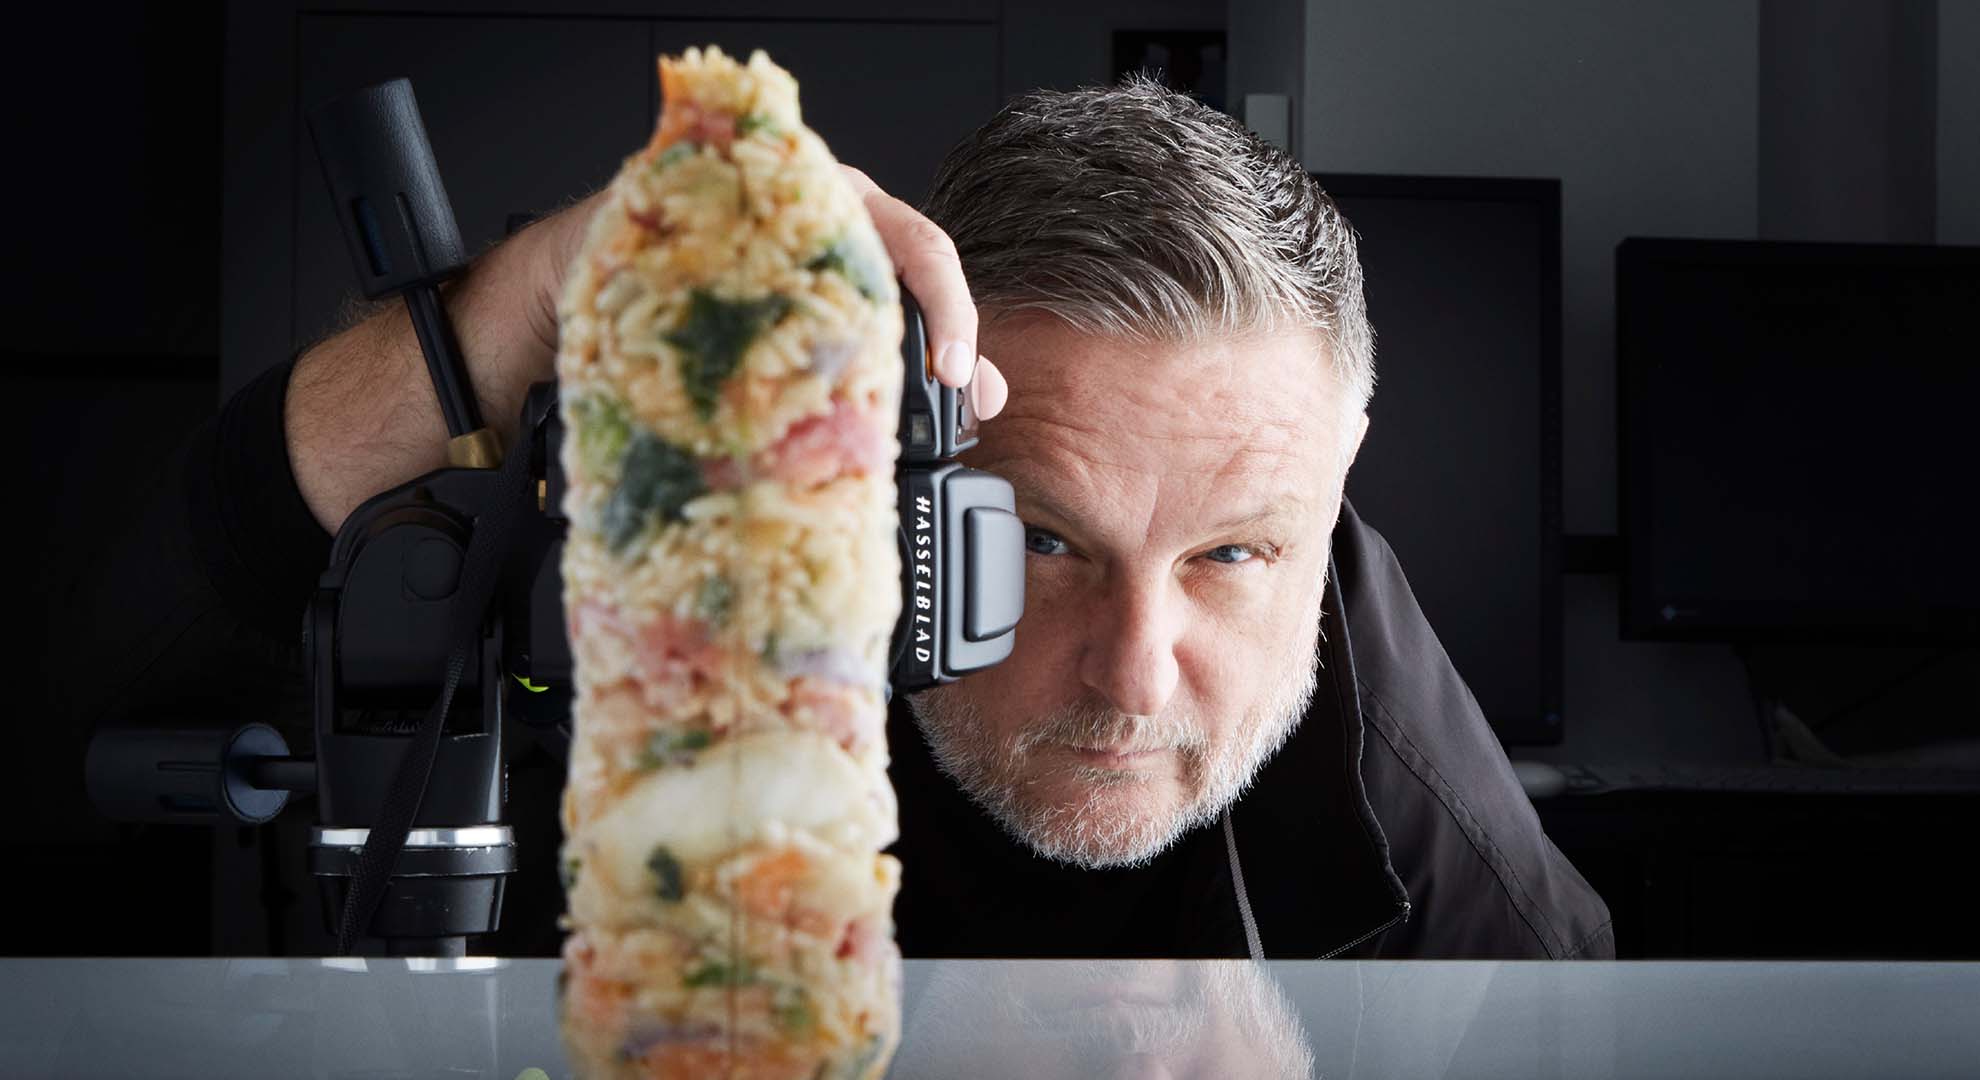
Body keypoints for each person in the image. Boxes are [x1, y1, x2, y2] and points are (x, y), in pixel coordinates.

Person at [73, 76, 1611, 959]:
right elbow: (137, 664)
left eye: (1236, 555)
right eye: (1045, 543)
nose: (1137, 676)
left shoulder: (1438, 838)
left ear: (1334, 488)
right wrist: (523, 306)